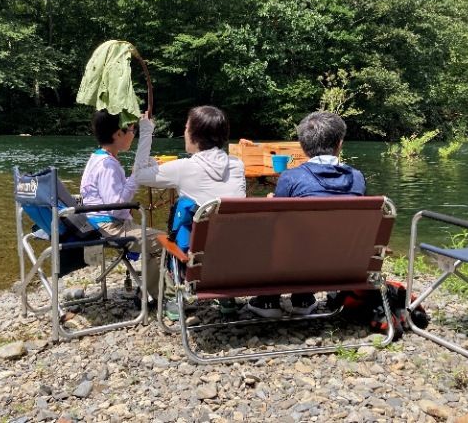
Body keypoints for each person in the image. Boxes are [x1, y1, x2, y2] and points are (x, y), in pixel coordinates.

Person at [246, 111, 366, 318]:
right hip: (345, 263)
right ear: (340, 144)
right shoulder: (357, 178)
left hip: (295, 264)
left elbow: (277, 225)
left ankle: (268, 300)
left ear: (303, 146)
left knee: (272, 228)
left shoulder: (291, 177)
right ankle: (303, 297)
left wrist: (271, 203)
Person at [134, 105, 247, 318]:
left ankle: (173, 298)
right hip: (236, 259)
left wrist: (147, 130)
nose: (184, 132)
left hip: (196, 263)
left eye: (186, 128)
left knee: (176, 226)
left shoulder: (184, 168)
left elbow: (138, 175)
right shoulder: (237, 165)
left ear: (194, 135)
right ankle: (226, 297)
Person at [80, 109, 160, 302]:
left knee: (155, 237)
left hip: (96, 223)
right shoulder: (107, 165)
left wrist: (133, 174)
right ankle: (153, 296)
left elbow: (111, 194)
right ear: (118, 134)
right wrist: (135, 176)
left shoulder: (99, 158)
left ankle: (150, 289)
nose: (133, 134)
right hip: (110, 227)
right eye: (132, 130)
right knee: (163, 242)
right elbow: (115, 206)